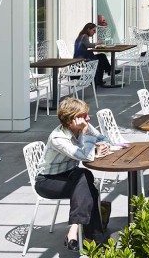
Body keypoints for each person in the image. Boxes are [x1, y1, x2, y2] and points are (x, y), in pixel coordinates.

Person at [35, 98, 107, 250]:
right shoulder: (58, 138)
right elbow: (85, 156)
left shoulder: (81, 127)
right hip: (47, 181)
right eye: (84, 115)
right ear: (72, 119)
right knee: (88, 186)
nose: (88, 118)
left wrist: (99, 146)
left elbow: (103, 138)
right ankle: (91, 238)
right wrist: (89, 137)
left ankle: (75, 231)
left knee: (85, 176)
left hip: (69, 174)